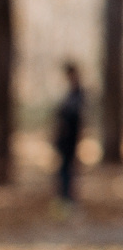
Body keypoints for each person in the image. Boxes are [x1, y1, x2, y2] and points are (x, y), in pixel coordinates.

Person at [55, 61, 87, 206]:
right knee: (64, 168)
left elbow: (74, 116)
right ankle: (64, 197)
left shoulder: (78, 93)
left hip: (70, 137)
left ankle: (68, 198)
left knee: (67, 168)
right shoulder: (71, 93)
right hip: (65, 138)